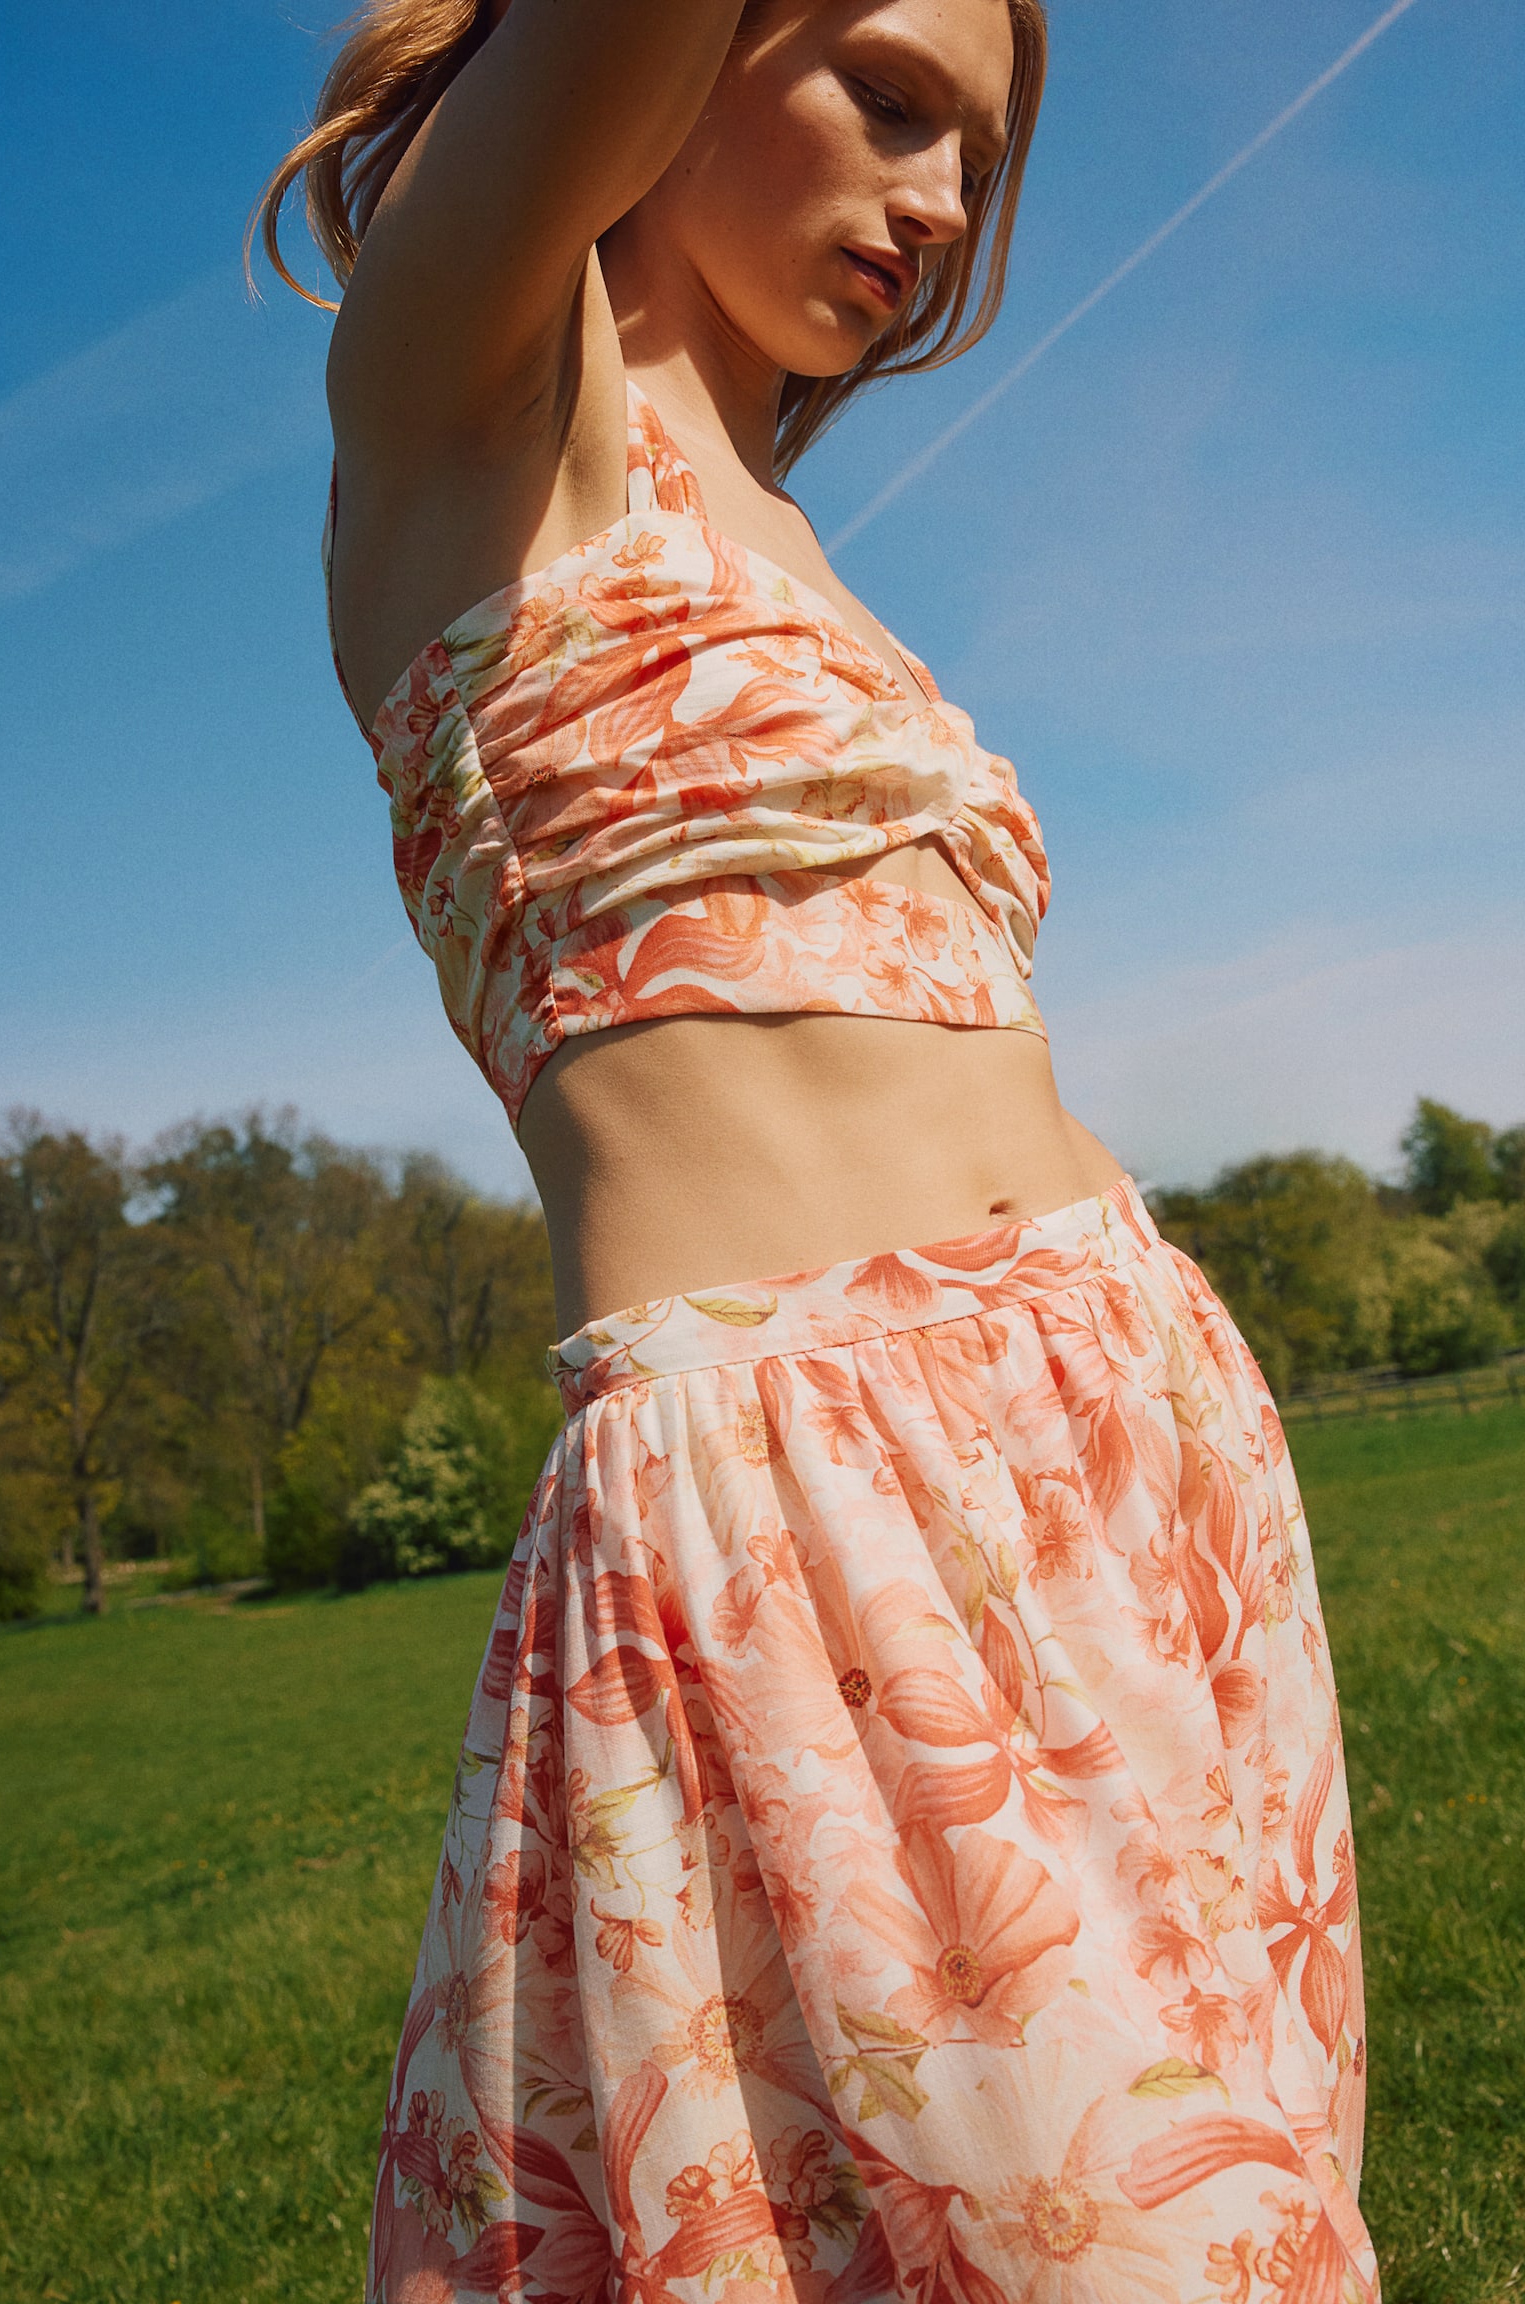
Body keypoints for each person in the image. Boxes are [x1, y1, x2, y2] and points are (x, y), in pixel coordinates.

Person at [256, 1, 1378, 2295]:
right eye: (885, 99)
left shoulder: (790, 533)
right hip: (814, 1517)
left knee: (1263, 2206)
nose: (945, 206)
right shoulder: (478, 401)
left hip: (1144, 1475)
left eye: (978, 150)